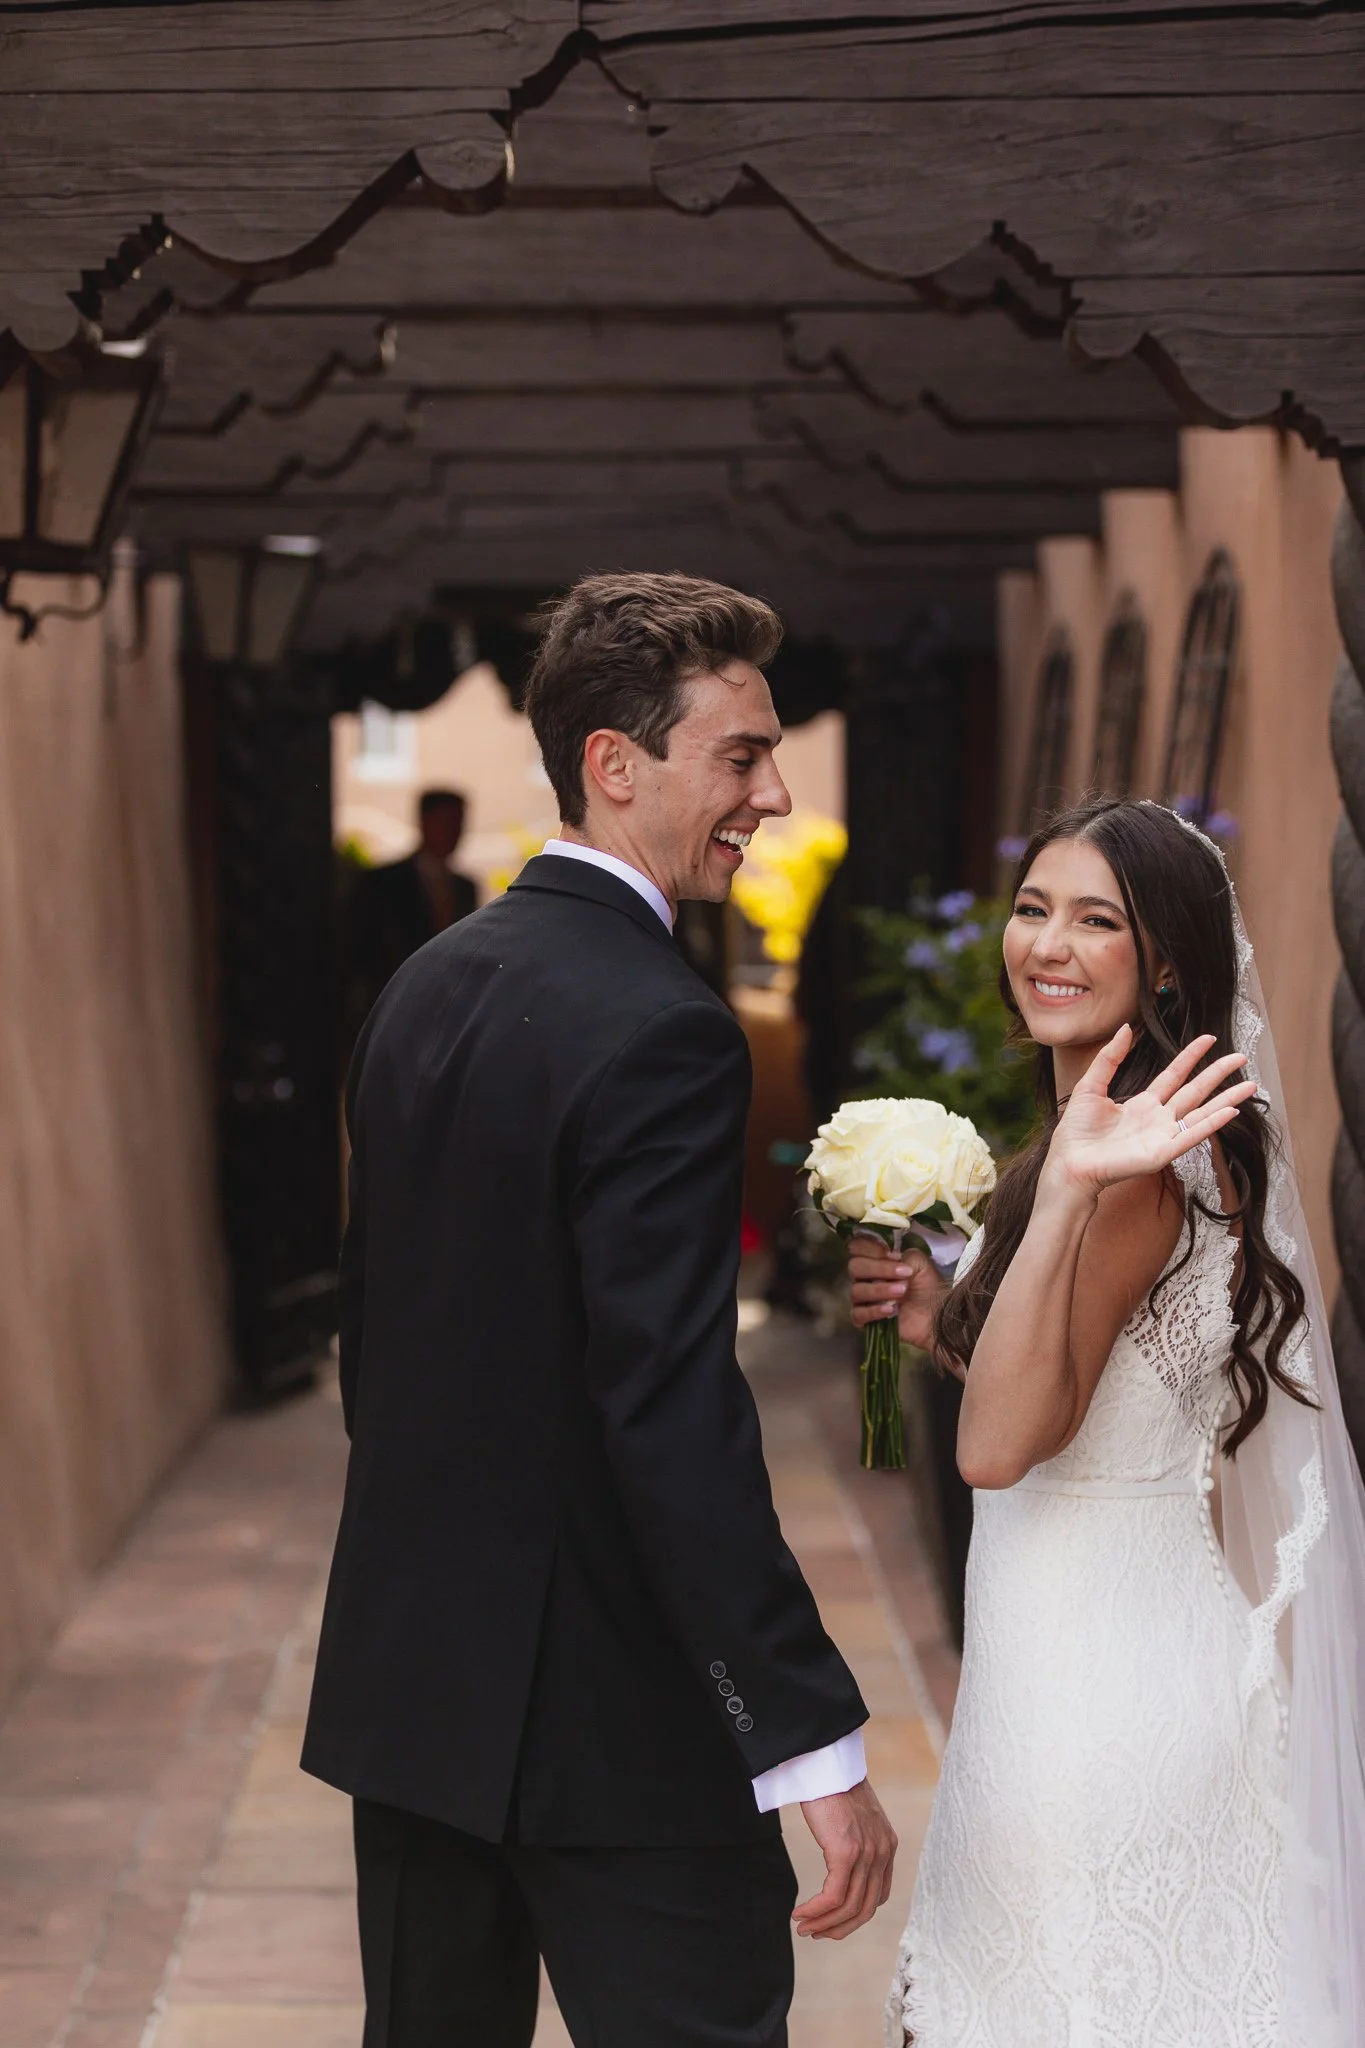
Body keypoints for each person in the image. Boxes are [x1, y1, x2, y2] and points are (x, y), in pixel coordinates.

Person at [303, 573, 897, 2048]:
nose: (768, 791)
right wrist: (802, 1731)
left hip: (413, 1697)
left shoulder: (424, 987)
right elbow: (671, 1406)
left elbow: (374, 1349)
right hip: (617, 1718)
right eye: (740, 755)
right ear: (614, 765)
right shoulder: (664, 1030)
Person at [851, 796, 1365, 2048]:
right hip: (1093, 1653)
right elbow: (1079, 1396)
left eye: (1098, 921)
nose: (1048, 944)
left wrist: (1074, 1185)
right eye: (1034, 909)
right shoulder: (1112, 1148)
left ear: (1168, 962)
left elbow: (995, 1452)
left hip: (1096, 1692)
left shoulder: (1123, 1173)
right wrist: (937, 1327)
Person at [344, 787, 478, 1027]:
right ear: (424, 822)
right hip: (390, 1012)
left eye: (458, 822)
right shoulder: (381, 882)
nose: (453, 831)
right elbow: (356, 953)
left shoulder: (465, 888)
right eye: (446, 822)